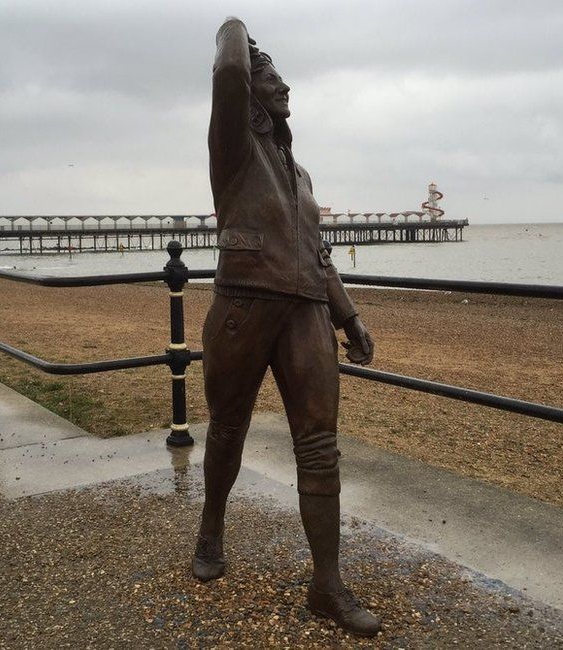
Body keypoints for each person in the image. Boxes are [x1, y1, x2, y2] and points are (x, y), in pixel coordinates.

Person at [192, 17, 380, 637]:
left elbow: (317, 256)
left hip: (305, 311)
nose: (286, 85)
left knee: (320, 444)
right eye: (272, 77)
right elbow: (227, 67)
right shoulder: (235, 149)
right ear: (251, 93)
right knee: (227, 429)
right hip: (245, 305)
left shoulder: (300, 177)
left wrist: (348, 317)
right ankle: (212, 528)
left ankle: (326, 586)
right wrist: (239, 30)